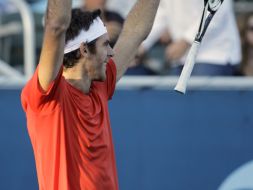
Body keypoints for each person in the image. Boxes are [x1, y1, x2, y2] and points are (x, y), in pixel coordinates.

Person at [20, 0, 160, 189]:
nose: (111, 53)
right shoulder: (49, 96)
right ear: (84, 49)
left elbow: (135, 33)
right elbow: (56, 25)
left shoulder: (99, 85)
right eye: (105, 45)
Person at [139, 0, 242, 76]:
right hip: (182, 58)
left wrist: (186, 41)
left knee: (201, 104)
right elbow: (162, 14)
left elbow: (217, 8)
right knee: (175, 103)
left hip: (214, 55)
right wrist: (140, 45)